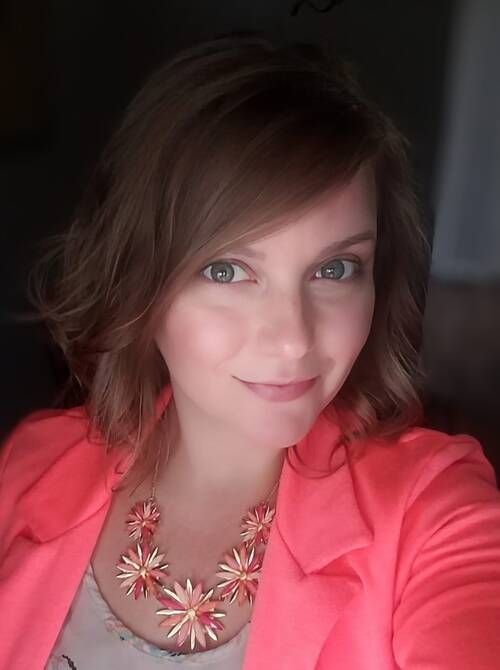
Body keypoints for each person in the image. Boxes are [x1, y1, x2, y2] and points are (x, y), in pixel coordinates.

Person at [1, 33, 499, 670]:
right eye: (228, 271)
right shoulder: (32, 466)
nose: (293, 337)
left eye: (336, 268)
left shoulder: (435, 512)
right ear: (140, 279)